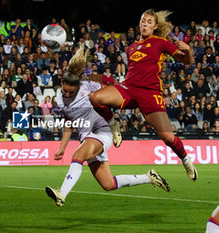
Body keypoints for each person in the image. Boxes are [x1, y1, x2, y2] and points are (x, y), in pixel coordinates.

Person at [45, 44, 169, 207]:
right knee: (108, 184)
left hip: (100, 132)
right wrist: (62, 148)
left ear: (78, 86)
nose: (66, 94)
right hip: (86, 138)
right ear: (61, 83)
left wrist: (114, 120)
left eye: (70, 92)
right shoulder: (60, 99)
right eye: (64, 90)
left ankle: (61, 194)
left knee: (78, 155)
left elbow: (111, 95)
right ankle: (149, 177)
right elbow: (68, 123)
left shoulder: (88, 88)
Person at [89, 9, 198, 181]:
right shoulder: (131, 48)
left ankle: (186, 160)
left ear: (155, 26)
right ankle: (113, 125)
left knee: (168, 137)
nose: (145, 24)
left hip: (150, 93)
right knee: (94, 97)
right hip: (129, 89)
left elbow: (186, 61)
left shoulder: (161, 42)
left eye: (149, 22)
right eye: (142, 21)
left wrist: (188, 49)